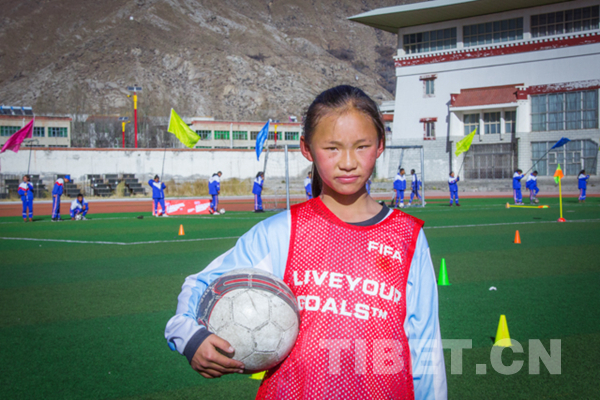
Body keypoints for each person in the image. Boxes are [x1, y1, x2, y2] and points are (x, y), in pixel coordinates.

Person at [165, 85, 447, 400]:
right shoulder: (281, 231)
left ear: (381, 145)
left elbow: (425, 346)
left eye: (362, 146)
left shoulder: (408, 236)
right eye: (332, 148)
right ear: (307, 148)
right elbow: (203, 285)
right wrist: (190, 337)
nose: (348, 162)